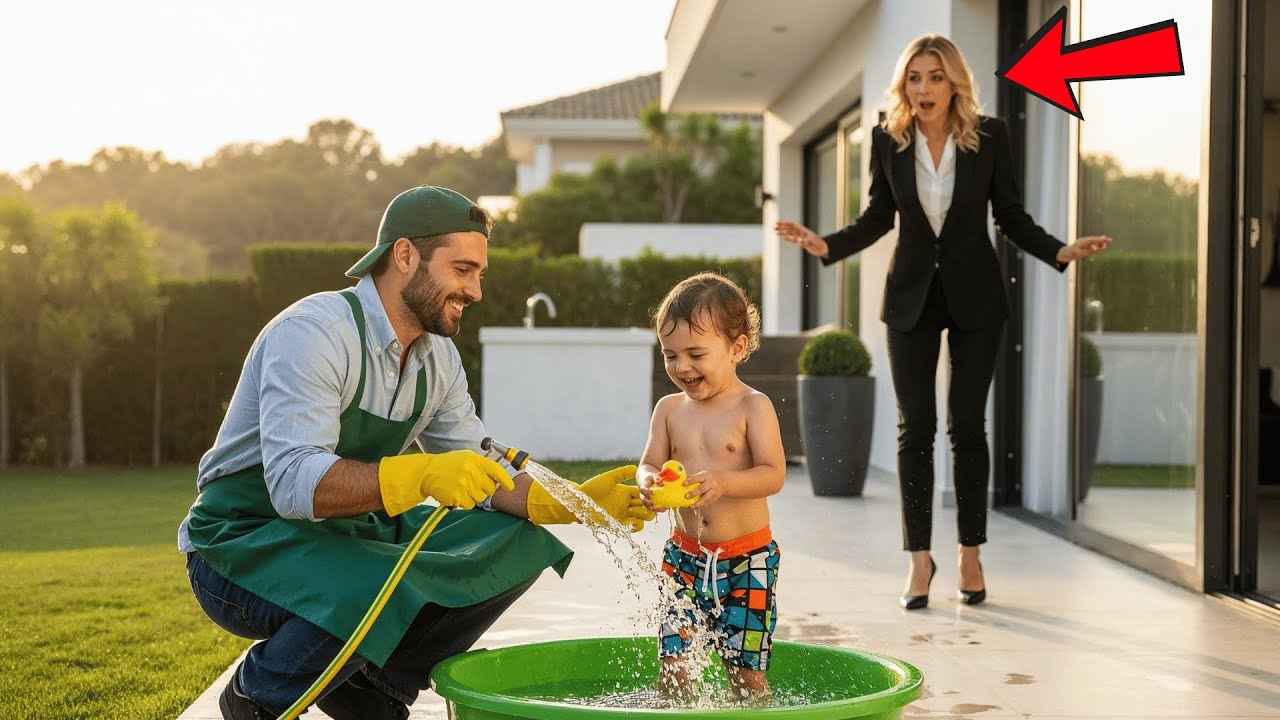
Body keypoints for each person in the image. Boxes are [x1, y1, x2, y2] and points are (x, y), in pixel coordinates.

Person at [178, 185, 655, 720]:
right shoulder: (314, 334)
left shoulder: (438, 359)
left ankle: (373, 687)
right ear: (405, 256)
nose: (475, 290)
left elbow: (485, 466)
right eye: (462, 269)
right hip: (241, 545)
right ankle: (258, 694)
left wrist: (573, 503)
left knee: (517, 544)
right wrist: (424, 474)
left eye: (479, 274)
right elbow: (295, 485)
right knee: (373, 584)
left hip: (347, 534)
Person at [776, 35, 1111, 610]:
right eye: (914, 78)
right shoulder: (888, 138)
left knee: (966, 426)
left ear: (954, 80)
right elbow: (879, 215)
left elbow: (1008, 215)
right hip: (911, 298)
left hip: (977, 297)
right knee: (916, 428)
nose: (924, 88)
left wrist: (1058, 251)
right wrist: (825, 244)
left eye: (934, 77)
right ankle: (918, 559)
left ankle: (970, 551)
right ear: (904, 86)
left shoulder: (990, 136)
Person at [636, 272, 786, 699]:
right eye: (670, 355)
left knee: (746, 675)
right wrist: (649, 483)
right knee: (673, 668)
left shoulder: (752, 406)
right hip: (683, 558)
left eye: (696, 354)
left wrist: (724, 482)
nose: (682, 367)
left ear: (736, 348)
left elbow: (773, 473)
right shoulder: (668, 409)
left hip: (747, 562)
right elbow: (648, 463)